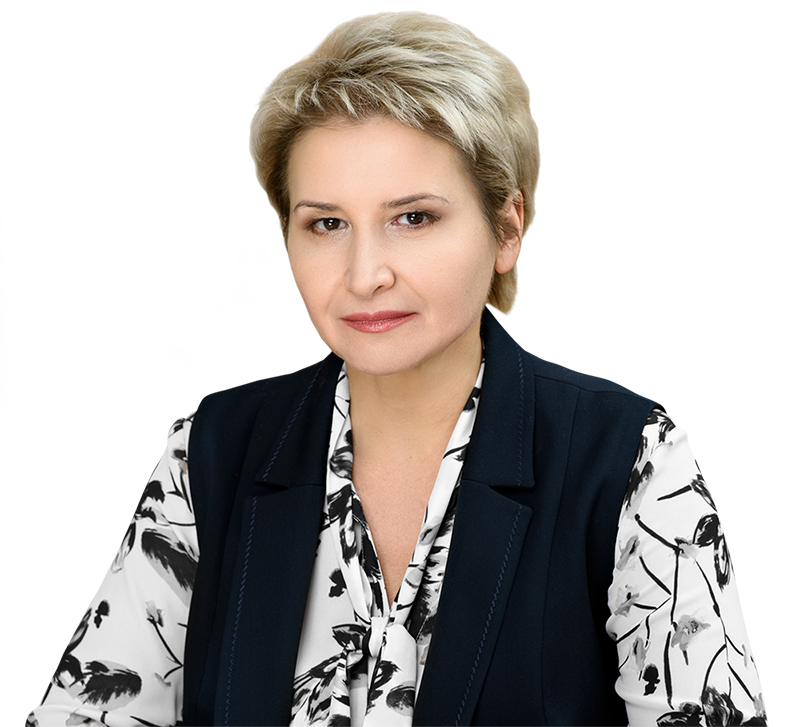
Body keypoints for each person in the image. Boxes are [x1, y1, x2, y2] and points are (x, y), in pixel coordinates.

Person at [28, 11, 767, 727]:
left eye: (413, 217)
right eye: (327, 224)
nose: (365, 274)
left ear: (506, 228)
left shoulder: (630, 459)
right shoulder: (211, 452)